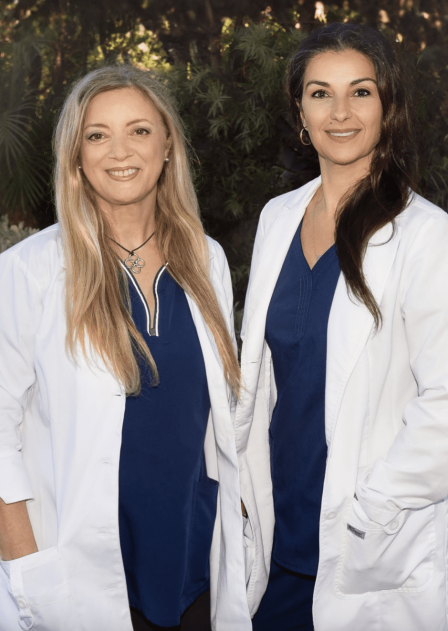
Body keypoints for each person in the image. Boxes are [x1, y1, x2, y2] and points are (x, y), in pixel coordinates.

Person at [0, 65, 251, 631]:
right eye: (97, 134)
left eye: (139, 130)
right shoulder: (29, 271)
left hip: (193, 561)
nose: (120, 150)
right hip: (79, 575)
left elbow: (218, 415)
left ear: (167, 146)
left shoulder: (205, 258)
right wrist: (24, 565)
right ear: (76, 155)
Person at [236, 22, 448, 631]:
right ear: (299, 111)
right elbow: (263, 374)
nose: (340, 112)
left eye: (361, 92)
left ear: (388, 105)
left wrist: (371, 510)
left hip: (368, 548)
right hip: (277, 542)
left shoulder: (425, 235)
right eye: (320, 93)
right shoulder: (279, 217)